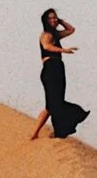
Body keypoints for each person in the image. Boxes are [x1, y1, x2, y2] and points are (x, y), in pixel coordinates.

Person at [34, 9, 88, 140]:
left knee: (52, 105)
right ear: (45, 21)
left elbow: (71, 30)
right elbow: (47, 46)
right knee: (54, 104)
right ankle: (60, 129)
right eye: (50, 18)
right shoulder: (46, 35)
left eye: (55, 18)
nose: (53, 20)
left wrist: (61, 21)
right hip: (50, 68)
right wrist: (64, 50)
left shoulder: (56, 34)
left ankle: (35, 133)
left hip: (57, 68)